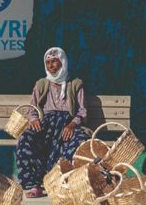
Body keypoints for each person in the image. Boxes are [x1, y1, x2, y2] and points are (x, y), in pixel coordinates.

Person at [15, 47, 90, 198]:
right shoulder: (41, 84)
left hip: (67, 123)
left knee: (80, 140)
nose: (51, 65)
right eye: (48, 62)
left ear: (62, 62)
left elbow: (82, 111)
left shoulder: (75, 84)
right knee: (26, 139)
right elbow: (32, 108)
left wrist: (72, 124)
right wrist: (34, 119)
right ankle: (34, 185)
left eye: (54, 61)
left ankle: (63, 183)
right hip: (46, 124)